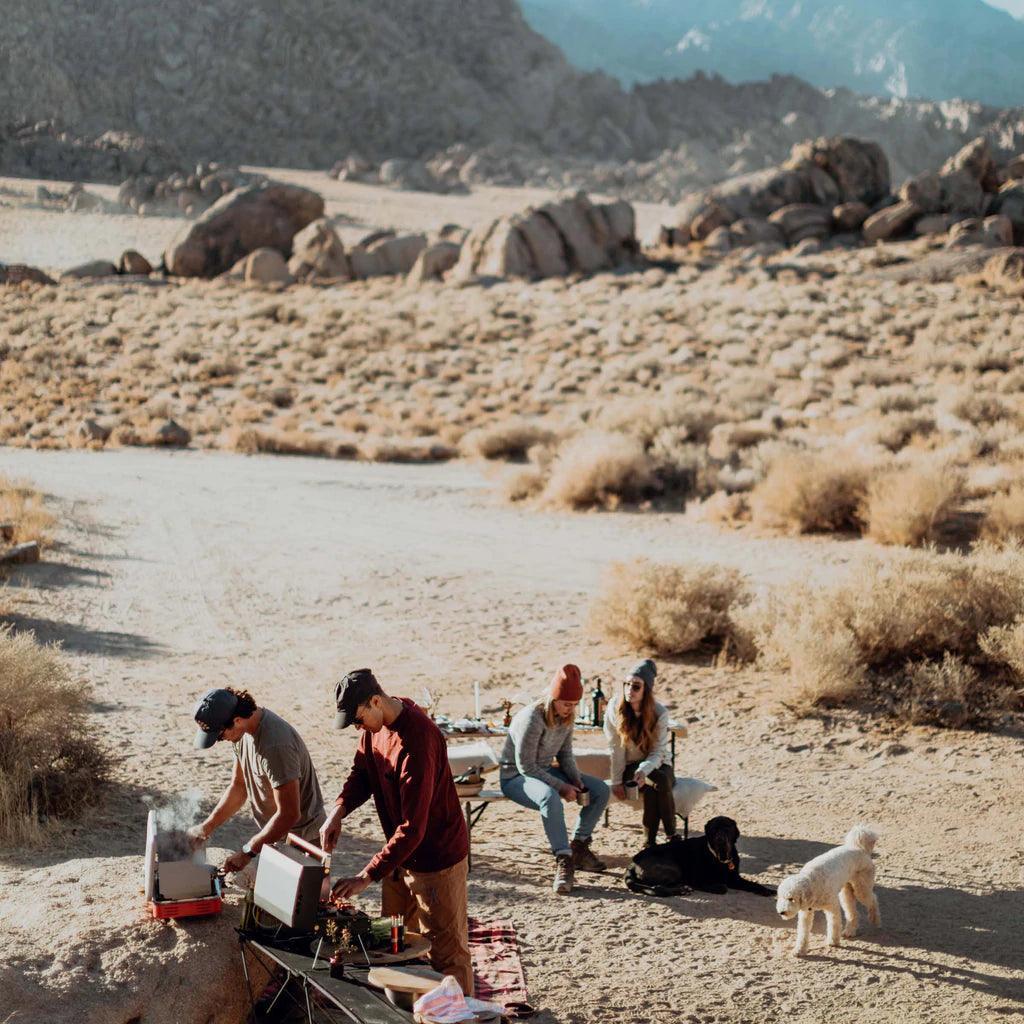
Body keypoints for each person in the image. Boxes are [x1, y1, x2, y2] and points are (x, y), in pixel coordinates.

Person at [320, 669, 473, 996]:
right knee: (393, 942)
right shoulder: (373, 729)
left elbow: (414, 828)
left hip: (436, 860)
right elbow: (362, 772)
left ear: (376, 701)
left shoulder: (417, 741)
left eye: (359, 720)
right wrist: (338, 811)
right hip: (400, 856)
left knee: (447, 956)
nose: (359, 728)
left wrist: (366, 875)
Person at [189, 687, 327, 875]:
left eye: (219, 736)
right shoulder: (242, 733)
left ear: (236, 720)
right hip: (278, 837)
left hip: (302, 842)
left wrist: (248, 851)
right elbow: (239, 787)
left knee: (300, 903)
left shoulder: (275, 745)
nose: (221, 740)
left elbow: (289, 813)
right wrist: (206, 828)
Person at [499, 665, 610, 896]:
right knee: (550, 798)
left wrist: (577, 781)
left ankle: (578, 846)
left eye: (574, 705)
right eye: (566, 704)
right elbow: (526, 766)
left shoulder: (566, 719)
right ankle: (564, 859)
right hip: (516, 776)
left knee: (599, 789)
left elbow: (566, 755)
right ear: (553, 698)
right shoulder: (533, 718)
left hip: (545, 770)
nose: (570, 709)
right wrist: (561, 786)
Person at [604, 659, 677, 849]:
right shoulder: (614, 708)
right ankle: (662, 840)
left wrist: (645, 770)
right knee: (655, 783)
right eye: (626, 684)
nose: (630, 690)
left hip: (657, 763)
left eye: (636, 686)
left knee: (659, 780)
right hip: (630, 766)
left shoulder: (659, 713)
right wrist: (616, 781)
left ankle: (665, 837)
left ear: (646, 690)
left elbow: (658, 752)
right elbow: (616, 748)